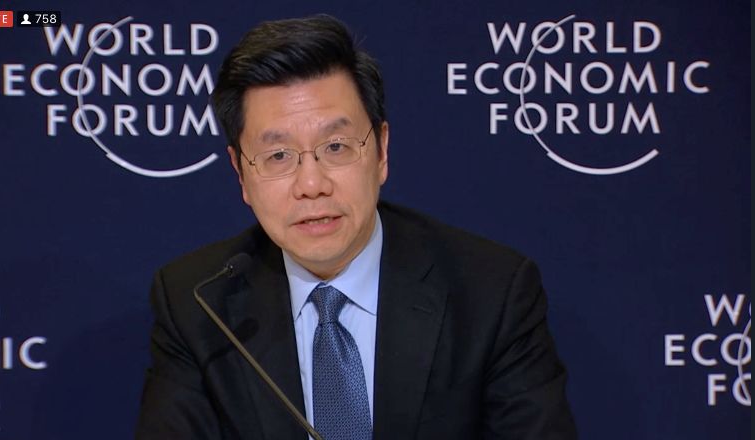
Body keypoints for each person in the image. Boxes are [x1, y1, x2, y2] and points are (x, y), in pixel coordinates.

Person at [136, 14, 576, 439]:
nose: (312, 185)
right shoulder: (198, 303)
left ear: (381, 151)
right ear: (241, 174)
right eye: (278, 156)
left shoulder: (490, 294)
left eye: (336, 146)